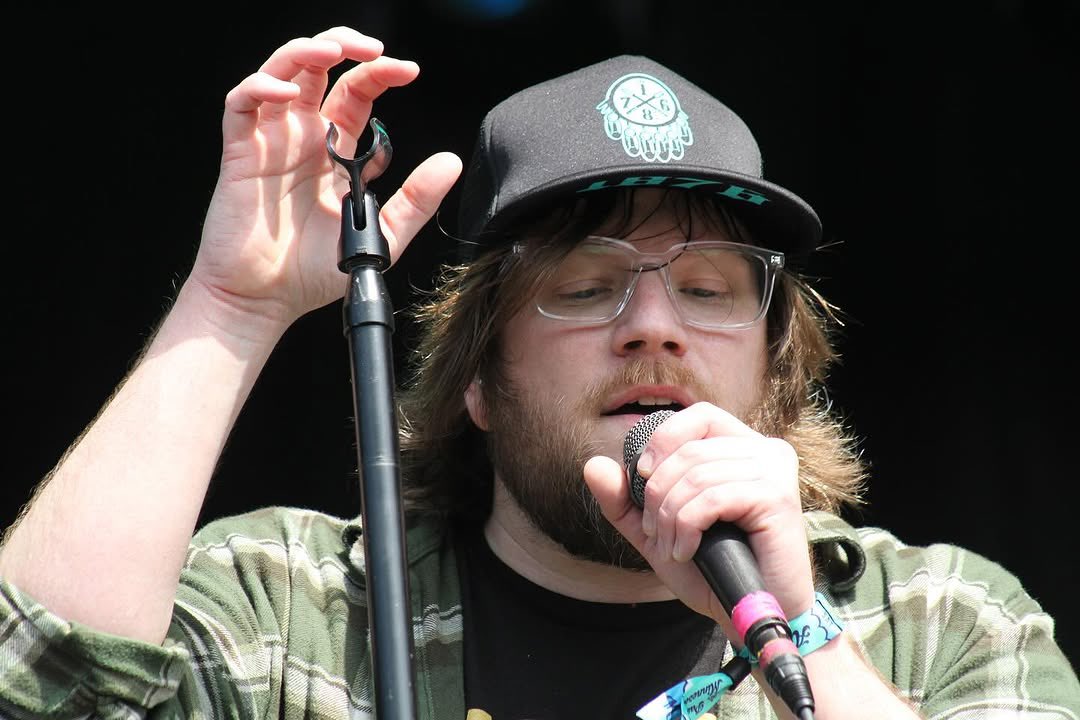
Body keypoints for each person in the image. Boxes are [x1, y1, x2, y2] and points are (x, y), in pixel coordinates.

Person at [0, 24, 1076, 720]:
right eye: (584, 281)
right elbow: (31, 682)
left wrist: (805, 631)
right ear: (479, 375)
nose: (652, 327)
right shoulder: (295, 610)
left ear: (777, 375)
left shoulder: (942, 619)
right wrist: (230, 307)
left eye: (706, 289)